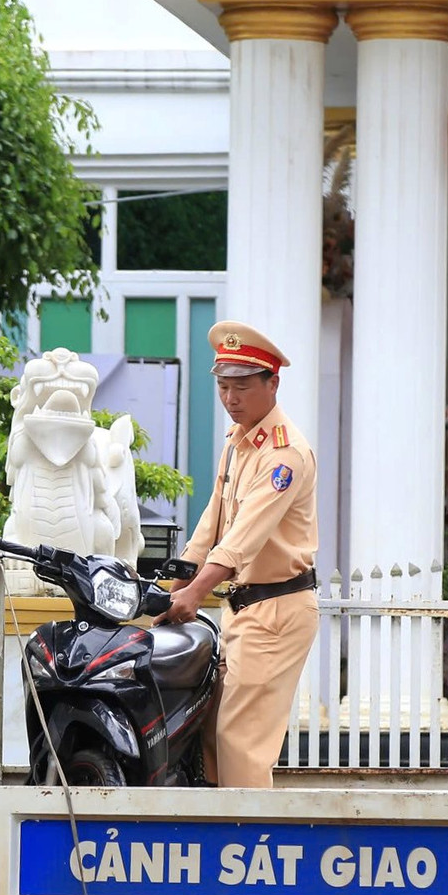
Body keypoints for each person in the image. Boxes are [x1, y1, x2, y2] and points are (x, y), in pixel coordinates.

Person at [160, 320, 318, 789]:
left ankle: (254, 851)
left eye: (242, 387)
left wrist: (194, 595)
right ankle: (221, 845)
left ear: (273, 383)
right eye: (224, 387)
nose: (231, 399)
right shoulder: (238, 441)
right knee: (208, 735)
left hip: (275, 610)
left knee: (241, 743)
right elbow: (213, 521)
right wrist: (178, 580)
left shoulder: (283, 455)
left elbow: (243, 538)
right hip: (243, 608)